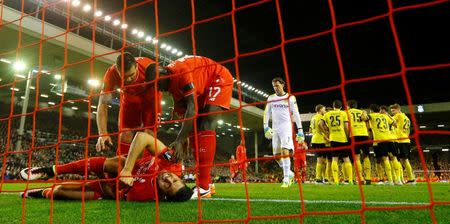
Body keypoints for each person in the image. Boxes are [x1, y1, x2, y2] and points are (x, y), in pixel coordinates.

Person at [146, 55, 234, 198]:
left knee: (207, 122)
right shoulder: (172, 88)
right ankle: (208, 183)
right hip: (202, 86)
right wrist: (185, 137)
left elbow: (192, 108)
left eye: (157, 84)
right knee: (194, 130)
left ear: (162, 73)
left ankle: (203, 187)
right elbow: (186, 116)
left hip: (217, 78)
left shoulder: (181, 72)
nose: (158, 89)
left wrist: (180, 139)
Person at [20, 132, 193, 202]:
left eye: (168, 186)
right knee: (119, 163)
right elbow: (142, 137)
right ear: (179, 176)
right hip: (120, 165)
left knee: (59, 192)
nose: (168, 179)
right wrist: (126, 169)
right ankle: (50, 171)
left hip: (107, 189)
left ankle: (40, 192)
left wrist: (102, 179)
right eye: (175, 179)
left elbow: (114, 194)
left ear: (163, 194)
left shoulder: (145, 195)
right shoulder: (171, 164)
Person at [96, 52, 164, 155]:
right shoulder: (111, 73)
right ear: (118, 71)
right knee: (125, 135)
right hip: (129, 100)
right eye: (124, 76)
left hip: (151, 99)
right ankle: (122, 167)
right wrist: (102, 133)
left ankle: (145, 167)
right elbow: (102, 104)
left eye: (131, 75)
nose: (128, 79)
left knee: (149, 135)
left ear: (136, 66)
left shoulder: (149, 67)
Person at [263, 77, 305, 188]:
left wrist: (300, 130)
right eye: (273, 86)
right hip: (275, 128)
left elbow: (296, 114)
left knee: (284, 150)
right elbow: (267, 112)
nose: (275, 88)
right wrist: (266, 127)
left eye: (277, 85)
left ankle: (286, 178)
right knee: (276, 156)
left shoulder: (290, 98)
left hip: (286, 128)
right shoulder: (271, 98)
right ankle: (290, 173)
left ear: (283, 84)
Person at [319, 100, 352, 185]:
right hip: (343, 138)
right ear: (341, 107)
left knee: (334, 159)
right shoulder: (343, 113)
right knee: (346, 159)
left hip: (333, 138)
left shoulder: (327, 114)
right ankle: (351, 180)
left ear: (333, 106)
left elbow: (320, 124)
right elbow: (346, 127)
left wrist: (327, 132)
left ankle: (336, 181)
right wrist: (348, 137)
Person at [367, 104, 395, 185]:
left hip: (380, 140)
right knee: (392, 158)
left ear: (371, 110)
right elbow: (394, 123)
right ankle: (395, 179)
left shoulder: (371, 115)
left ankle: (389, 180)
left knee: (383, 159)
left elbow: (364, 118)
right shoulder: (385, 116)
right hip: (389, 138)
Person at [390, 104, 415, 184]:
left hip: (400, 141)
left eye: (393, 111)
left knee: (401, 160)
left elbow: (389, 120)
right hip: (406, 140)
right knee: (403, 160)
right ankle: (407, 179)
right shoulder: (407, 118)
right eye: (391, 111)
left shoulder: (398, 115)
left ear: (398, 109)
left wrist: (385, 115)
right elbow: (408, 131)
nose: (393, 113)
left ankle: (410, 179)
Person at [347, 100, 371, 185]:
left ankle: (360, 178)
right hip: (364, 134)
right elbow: (367, 121)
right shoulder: (362, 112)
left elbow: (346, 125)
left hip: (353, 135)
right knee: (366, 156)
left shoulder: (347, 112)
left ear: (348, 106)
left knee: (356, 157)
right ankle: (368, 178)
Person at [309, 104, 328, 184]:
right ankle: (318, 178)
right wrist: (325, 133)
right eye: (324, 109)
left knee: (323, 160)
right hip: (320, 140)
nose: (325, 110)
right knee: (320, 160)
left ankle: (323, 178)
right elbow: (321, 125)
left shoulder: (313, 117)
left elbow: (310, 130)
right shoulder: (321, 117)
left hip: (314, 139)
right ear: (320, 110)